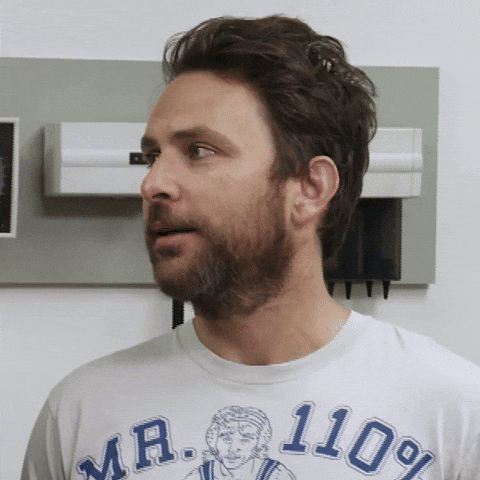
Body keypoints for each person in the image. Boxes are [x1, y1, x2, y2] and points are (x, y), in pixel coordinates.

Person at [22, 15, 480, 480]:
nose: (153, 183)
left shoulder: (452, 415)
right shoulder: (81, 414)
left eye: (199, 151)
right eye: (152, 156)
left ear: (309, 188)